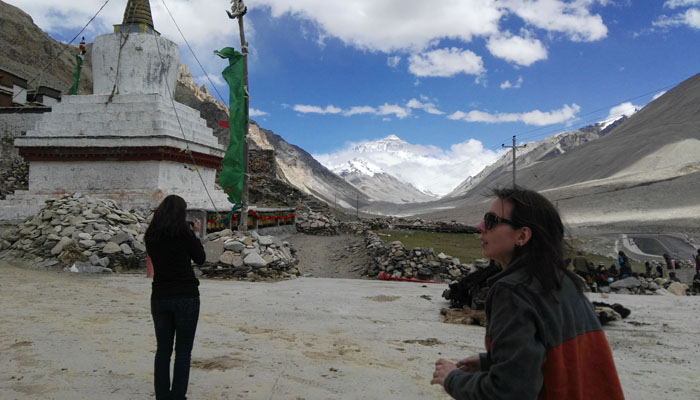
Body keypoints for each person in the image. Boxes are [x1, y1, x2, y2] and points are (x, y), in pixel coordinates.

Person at [431, 187, 624, 399]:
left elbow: (508, 392)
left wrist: (452, 378)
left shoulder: (513, 292)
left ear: (522, 236)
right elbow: (561, 356)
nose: (480, 227)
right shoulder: (562, 281)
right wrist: (493, 361)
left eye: (491, 220)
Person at [145, 195, 206, 400]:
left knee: (163, 350)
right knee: (183, 352)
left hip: (160, 296)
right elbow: (200, 259)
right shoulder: (184, 234)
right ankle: (178, 396)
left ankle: (162, 395)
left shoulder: (151, 235)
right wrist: (195, 234)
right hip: (186, 296)